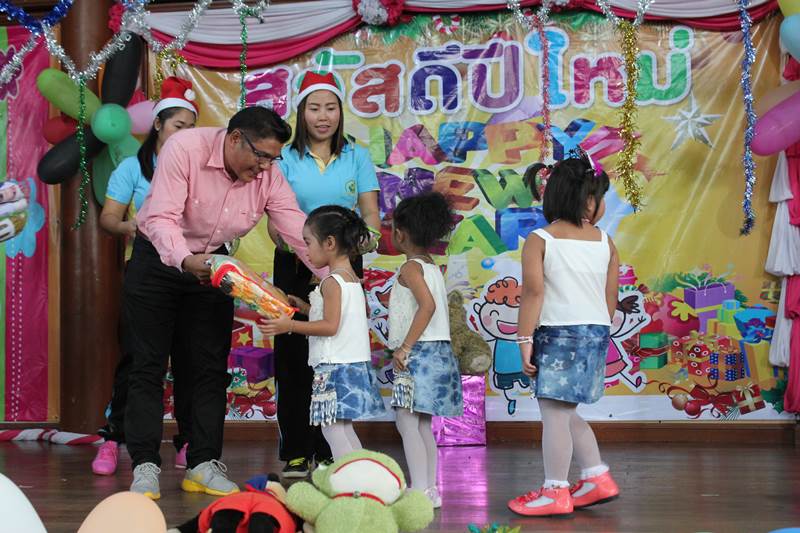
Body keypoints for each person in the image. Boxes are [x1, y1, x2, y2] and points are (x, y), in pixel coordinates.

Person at [123, 105, 323, 500]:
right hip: (158, 260)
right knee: (147, 365)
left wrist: (334, 275)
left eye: (273, 159)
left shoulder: (268, 175)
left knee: (209, 367)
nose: (265, 167)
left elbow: (296, 229)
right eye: (260, 156)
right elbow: (160, 218)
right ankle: (144, 465)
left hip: (213, 265)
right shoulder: (185, 148)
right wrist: (185, 260)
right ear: (234, 139)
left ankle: (203, 463)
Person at [268, 70, 381, 478]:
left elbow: (370, 214)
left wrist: (354, 248)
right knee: (294, 356)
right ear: (301, 112)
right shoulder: (284, 158)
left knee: (336, 353)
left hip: (344, 262)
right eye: (314, 108)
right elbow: (274, 219)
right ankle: (297, 450)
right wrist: (305, 252)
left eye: (330, 107)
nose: (323, 116)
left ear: (340, 111)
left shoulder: (357, 156)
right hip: (295, 262)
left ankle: (332, 449)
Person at [92, 77, 198, 476]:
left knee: (189, 359)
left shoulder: (197, 169)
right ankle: (115, 437)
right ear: (157, 124)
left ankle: (188, 441)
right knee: (138, 360)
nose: (183, 135)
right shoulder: (132, 167)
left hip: (190, 272)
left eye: (190, 128)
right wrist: (133, 226)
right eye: (177, 126)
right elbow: (108, 218)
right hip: (147, 271)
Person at [508, 148, 621, 517]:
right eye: (597, 196)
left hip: (558, 335)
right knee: (567, 410)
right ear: (586, 200)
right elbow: (610, 296)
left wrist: (524, 340)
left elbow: (533, 294)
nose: (600, 204)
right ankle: (596, 476)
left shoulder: (541, 239)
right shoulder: (605, 241)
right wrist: (595, 335)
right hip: (595, 332)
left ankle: (555, 490)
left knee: (555, 414)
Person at [258, 205, 385, 461]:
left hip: (336, 368)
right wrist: (304, 307)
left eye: (307, 243)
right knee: (343, 429)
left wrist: (290, 326)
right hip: (350, 365)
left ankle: (352, 476)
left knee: (333, 429)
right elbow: (341, 318)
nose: (304, 250)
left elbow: (330, 326)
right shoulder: (350, 277)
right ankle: (360, 472)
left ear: (329, 243)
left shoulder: (331, 282)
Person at [387, 192, 462, 509]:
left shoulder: (410, 269)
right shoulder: (431, 266)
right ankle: (429, 489)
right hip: (438, 353)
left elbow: (427, 307)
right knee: (420, 425)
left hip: (419, 354)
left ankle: (419, 490)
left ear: (400, 234)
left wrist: (405, 347)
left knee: (406, 423)